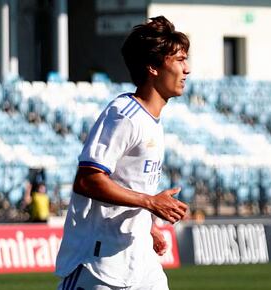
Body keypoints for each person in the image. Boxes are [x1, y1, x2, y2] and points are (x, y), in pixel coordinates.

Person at [55, 15, 190, 290]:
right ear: (153, 66)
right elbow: (87, 180)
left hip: (139, 261)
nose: (187, 69)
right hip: (100, 266)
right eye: (179, 60)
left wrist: (147, 225)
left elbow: (127, 182)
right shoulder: (124, 115)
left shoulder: (153, 120)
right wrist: (151, 203)